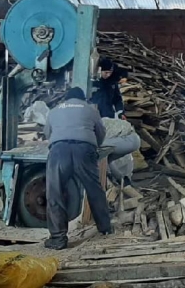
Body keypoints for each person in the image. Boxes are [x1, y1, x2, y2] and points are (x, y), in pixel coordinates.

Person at [43, 87, 111, 250]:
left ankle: (58, 238)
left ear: (66, 99)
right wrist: (94, 145)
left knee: (55, 192)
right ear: (83, 99)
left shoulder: (54, 110)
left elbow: (47, 133)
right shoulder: (91, 110)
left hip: (59, 151)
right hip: (84, 150)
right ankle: (105, 228)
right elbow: (101, 133)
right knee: (94, 189)